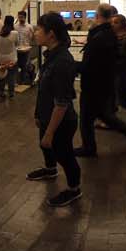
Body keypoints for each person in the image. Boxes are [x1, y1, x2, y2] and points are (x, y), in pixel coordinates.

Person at [25, 12, 84, 207]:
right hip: (46, 115)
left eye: (39, 30)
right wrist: (38, 114)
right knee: (45, 146)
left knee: (64, 155)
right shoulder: (51, 55)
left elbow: (62, 103)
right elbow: (44, 90)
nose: (35, 33)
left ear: (50, 34)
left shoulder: (62, 61)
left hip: (61, 121)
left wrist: (50, 132)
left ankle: (74, 189)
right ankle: (50, 170)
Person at [75, 4, 126, 157]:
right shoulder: (110, 35)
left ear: (97, 16)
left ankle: (89, 148)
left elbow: (89, 64)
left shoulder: (99, 37)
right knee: (104, 115)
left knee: (86, 118)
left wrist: (73, 65)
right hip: (105, 82)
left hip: (94, 84)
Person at [0, 15, 19, 100]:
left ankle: (1, 93)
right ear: (12, 22)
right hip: (12, 58)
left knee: (2, 76)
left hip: (1, 58)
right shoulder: (14, 33)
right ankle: (11, 94)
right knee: (11, 76)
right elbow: (17, 44)